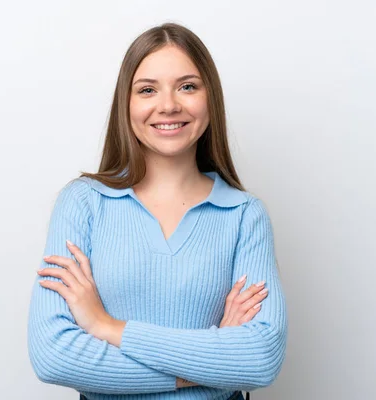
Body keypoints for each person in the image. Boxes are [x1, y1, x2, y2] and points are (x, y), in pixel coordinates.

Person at [27, 22, 287, 400]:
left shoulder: (245, 216)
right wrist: (208, 364)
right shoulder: (83, 202)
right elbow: (53, 357)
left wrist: (107, 326)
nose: (168, 105)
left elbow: (260, 359)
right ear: (126, 103)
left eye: (187, 86)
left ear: (210, 98)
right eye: (147, 89)